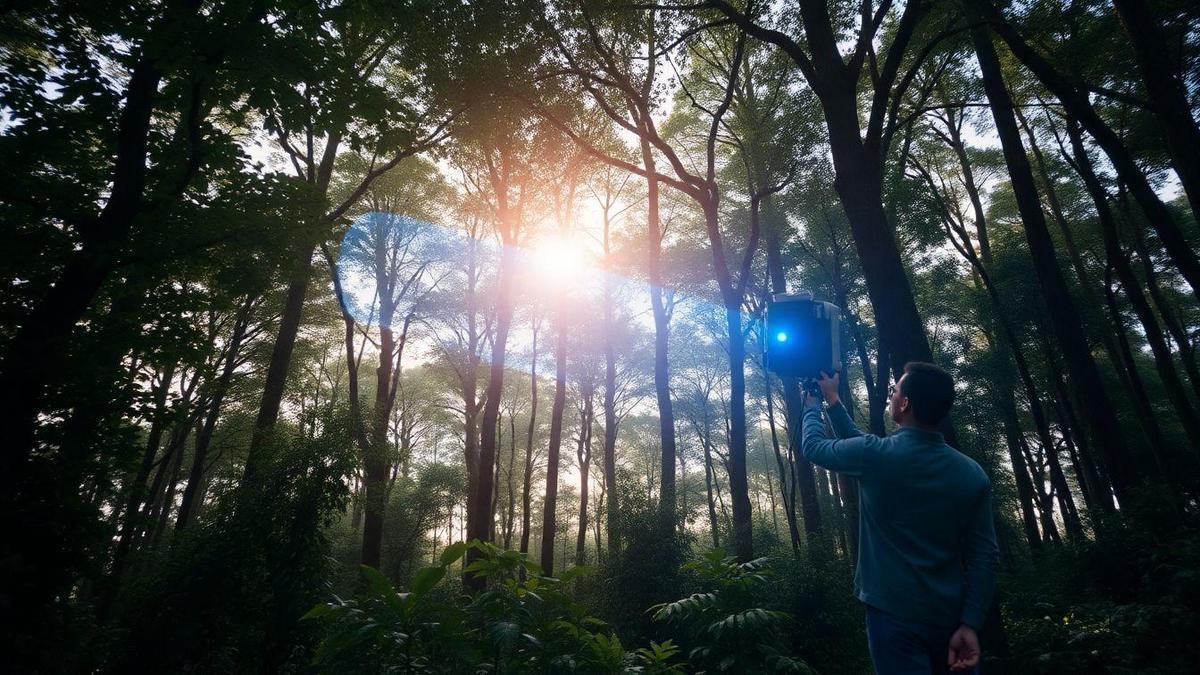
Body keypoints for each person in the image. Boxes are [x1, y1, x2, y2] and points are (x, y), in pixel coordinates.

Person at [801, 362, 998, 675]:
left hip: (892, 617)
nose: (891, 395)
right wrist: (970, 623)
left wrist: (812, 406)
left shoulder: (875, 456)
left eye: (894, 391)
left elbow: (814, 447)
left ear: (905, 403)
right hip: (951, 617)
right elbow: (985, 556)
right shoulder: (972, 474)